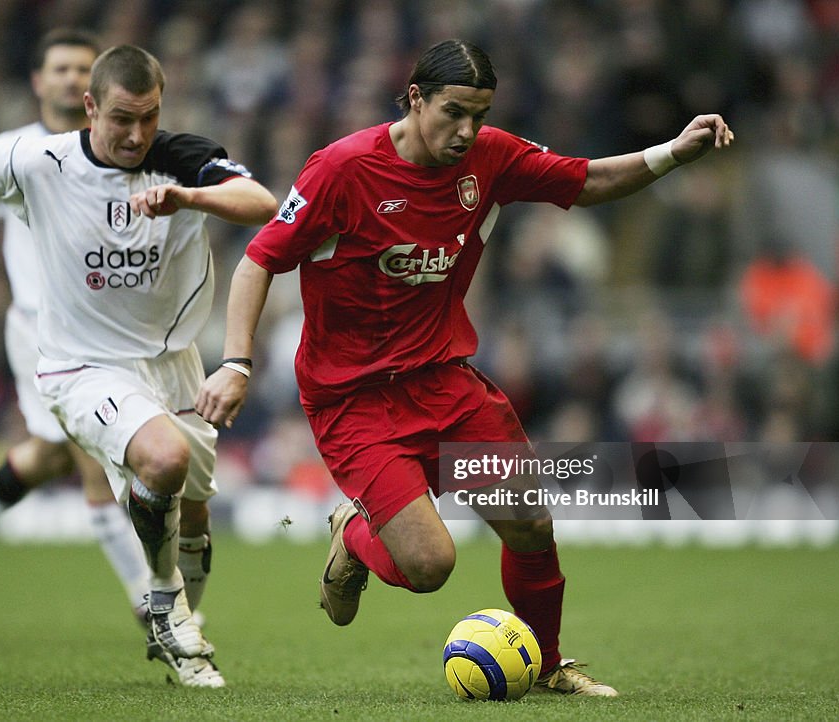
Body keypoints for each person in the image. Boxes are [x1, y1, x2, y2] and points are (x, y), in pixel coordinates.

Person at [195, 39, 735, 696]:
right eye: (454, 112)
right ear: (415, 98)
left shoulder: (490, 158)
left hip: (446, 382)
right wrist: (236, 363)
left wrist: (672, 153)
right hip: (354, 399)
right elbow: (258, 260)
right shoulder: (342, 170)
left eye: (479, 115)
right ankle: (352, 530)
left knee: (531, 522)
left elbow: (586, 180)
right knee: (428, 564)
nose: (467, 130)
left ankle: (547, 666)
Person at [0, 44, 277, 689]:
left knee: (194, 514)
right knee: (160, 461)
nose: (137, 135)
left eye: (148, 118)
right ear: (89, 108)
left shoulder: (182, 156)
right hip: (80, 364)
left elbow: (262, 203)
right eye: (121, 120)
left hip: (173, 363)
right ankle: (161, 607)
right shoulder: (35, 159)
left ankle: (179, 625)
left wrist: (189, 199)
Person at [0, 27, 208, 687]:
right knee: (96, 467)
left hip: (115, 335)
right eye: (57, 68)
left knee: (55, 454)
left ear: (94, 91)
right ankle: (152, 607)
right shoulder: (19, 152)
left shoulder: (129, 156)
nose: (66, 78)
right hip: (45, 334)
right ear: (40, 82)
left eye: (79, 69)